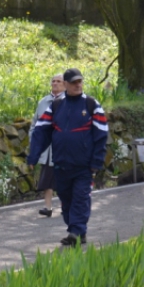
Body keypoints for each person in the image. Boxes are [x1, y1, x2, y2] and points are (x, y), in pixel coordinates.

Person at [27, 68, 108, 246]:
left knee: (80, 198)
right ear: (65, 85)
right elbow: (41, 131)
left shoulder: (91, 105)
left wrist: (96, 161)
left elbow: (101, 135)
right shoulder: (55, 107)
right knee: (66, 200)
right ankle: (78, 230)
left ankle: (75, 232)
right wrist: (33, 156)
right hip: (61, 165)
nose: (78, 85)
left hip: (84, 166)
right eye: (73, 82)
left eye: (80, 81)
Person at [29, 74, 65, 217]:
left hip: (63, 149)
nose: (55, 84)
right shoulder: (43, 102)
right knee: (47, 178)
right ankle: (48, 208)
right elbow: (35, 124)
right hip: (47, 149)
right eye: (53, 81)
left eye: (59, 81)